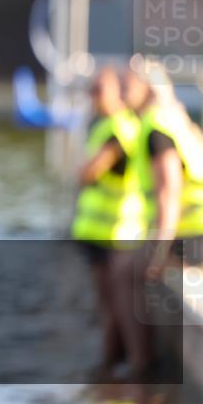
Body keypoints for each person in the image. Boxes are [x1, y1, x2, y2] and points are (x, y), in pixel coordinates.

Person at [70, 66, 150, 378]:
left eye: (98, 90)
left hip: (116, 231)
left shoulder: (121, 129)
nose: (93, 97)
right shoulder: (109, 126)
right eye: (91, 90)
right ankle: (114, 372)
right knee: (111, 308)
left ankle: (121, 370)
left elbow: (88, 172)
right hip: (102, 232)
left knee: (115, 309)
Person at [123, 59, 203, 275]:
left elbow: (169, 193)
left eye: (127, 85)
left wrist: (158, 252)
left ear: (147, 87)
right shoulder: (174, 120)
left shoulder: (157, 128)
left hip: (189, 240)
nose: (121, 92)